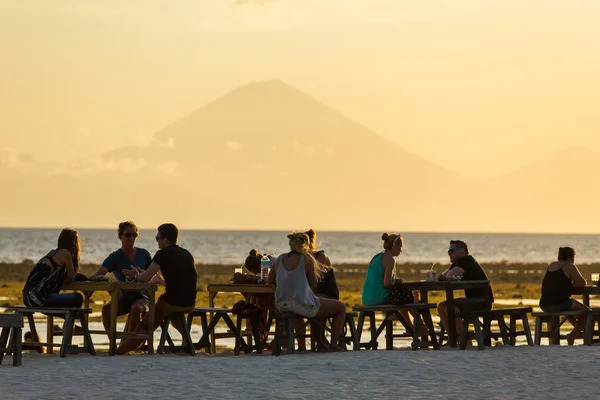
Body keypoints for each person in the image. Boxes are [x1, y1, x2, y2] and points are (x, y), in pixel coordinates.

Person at [116, 223, 197, 355]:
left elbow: (145, 278)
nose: (157, 241)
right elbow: (181, 278)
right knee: (175, 316)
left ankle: (119, 351)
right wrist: (145, 275)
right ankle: (187, 342)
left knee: (144, 326)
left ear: (165, 240)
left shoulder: (162, 254)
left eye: (158, 238)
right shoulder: (186, 253)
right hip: (190, 303)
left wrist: (135, 275)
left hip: (172, 302)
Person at [267, 231, 347, 352]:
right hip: (301, 305)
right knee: (341, 307)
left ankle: (306, 346)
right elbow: (314, 284)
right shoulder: (306, 258)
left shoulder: (279, 259)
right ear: (306, 244)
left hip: (281, 305)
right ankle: (333, 345)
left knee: (305, 305)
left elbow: (269, 281)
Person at [93, 221, 160, 334]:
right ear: (120, 236)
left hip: (143, 297)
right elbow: (98, 274)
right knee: (106, 309)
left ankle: (128, 342)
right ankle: (113, 343)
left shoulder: (144, 254)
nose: (131, 238)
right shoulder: (115, 257)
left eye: (134, 235)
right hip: (123, 298)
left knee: (136, 308)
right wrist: (110, 284)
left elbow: (155, 275)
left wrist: (140, 273)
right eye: (128, 235)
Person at [362, 233, 426, 336]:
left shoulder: (377, 257)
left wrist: (395, 281)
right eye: (400, 247)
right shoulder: (390, 260)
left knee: (403, 300)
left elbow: (380, 278)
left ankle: (412, 329)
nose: (401, 250)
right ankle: (423, 332)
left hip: (367, 297)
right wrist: (395, 286)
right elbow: (387, 284)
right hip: (379, 297)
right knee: (410, 300)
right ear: (394, 245)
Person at [436, 240, 494, 335]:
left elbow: (450, 275)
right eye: (448, 252)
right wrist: (441, 276)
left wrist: (442, 277)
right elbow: (445, 275)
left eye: (452, 251)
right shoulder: (458, 263)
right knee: (442, 306)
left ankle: (464, 339)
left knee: (450, 308)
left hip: (483, 302)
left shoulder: (466, 261)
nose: (449, 254)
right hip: (472, 300)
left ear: (462, 250)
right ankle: (452, 338)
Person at [22, 228, 84, 308]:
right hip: (38, 298)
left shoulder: (52, 253)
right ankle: (71, 318)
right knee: (77, 297)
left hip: (27, 298)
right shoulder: (65, 253)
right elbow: (71, 277)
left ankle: (69, 319)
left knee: (70, 308)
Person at [540, 247, 588, 345]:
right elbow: (582, 283)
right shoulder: (569, 266)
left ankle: (577, 330)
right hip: (559, 304)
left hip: (544, 304)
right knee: (586, 312)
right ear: (571, 258)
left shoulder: (552, 265)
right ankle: (573, 335)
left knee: (571, 311)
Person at [305, 229, 339, 300]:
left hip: (328, 295)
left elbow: (314, 280)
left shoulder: (321, 256)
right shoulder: (304, 258)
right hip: (315, 293)